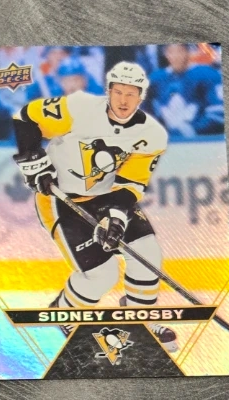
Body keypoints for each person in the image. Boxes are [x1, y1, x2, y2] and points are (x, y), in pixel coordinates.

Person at [12, 61, 178, 350]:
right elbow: (25, 117)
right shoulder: (79, 107)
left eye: (131, 94)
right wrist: (33, 158)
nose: (123, 100)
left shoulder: (152, 135)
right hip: (60, 200)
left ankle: (140, 318)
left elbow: (130, 184)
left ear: (141, 96)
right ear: (108, 90)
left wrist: (115, 217)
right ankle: (65, 313)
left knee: (147, 252)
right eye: (118, 92)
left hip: (106, 197)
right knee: (102, 276)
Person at [147, 42, 225, 137]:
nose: (175, 56)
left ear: (188, 52)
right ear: (165, 53)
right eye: (171, 52)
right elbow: (142, 111)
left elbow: (218, 113)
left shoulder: (207, 75)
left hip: (201, 140)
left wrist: (191, 130)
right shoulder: (156, 78)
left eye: (180, 51)